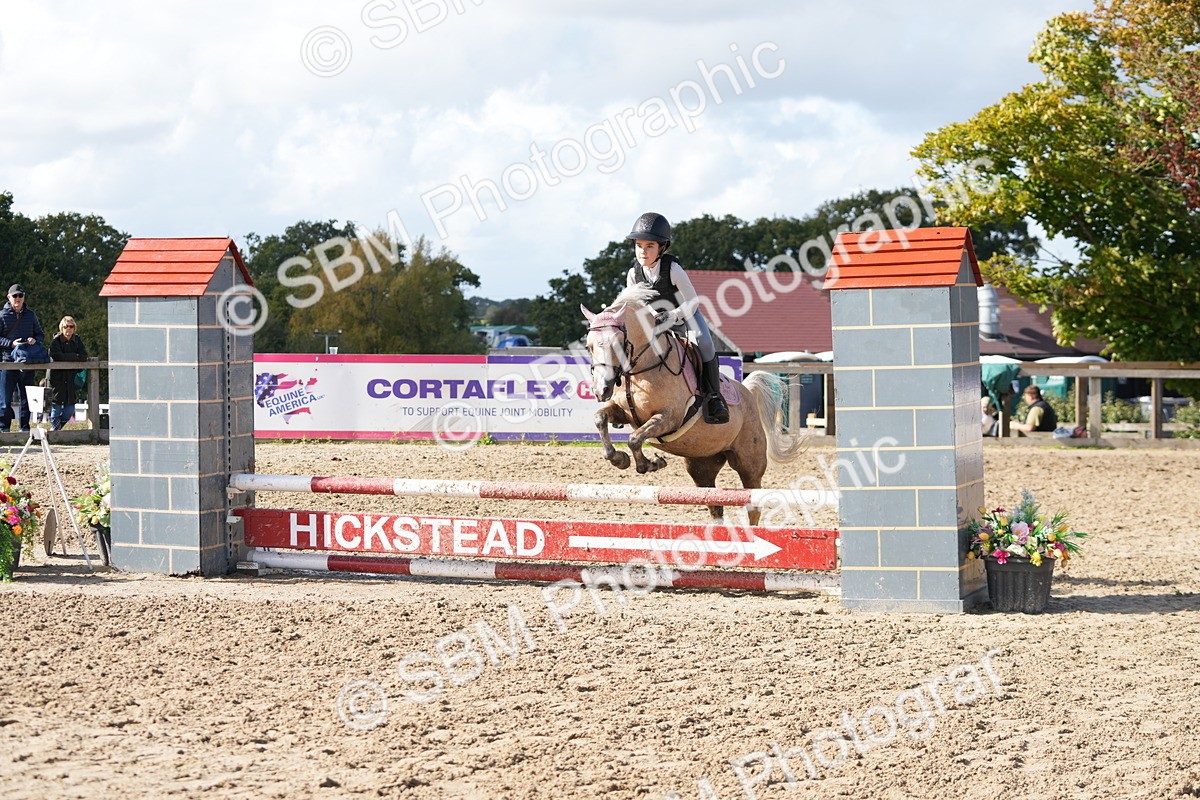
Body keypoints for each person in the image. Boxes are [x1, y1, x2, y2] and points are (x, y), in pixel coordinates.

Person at [624, 212, 729, 424]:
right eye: (639, 246)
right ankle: (625, 401)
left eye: (649, 246)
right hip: (656, 321)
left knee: (706, 344)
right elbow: (637, 305)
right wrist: (654, 316)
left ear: (662, 247)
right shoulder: (633, 274)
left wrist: (673, 315)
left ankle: (714, 398)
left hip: (686, 316)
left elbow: (693, 301)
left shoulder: (673, 268)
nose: (643, 252)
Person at [0, 284, 46, 432]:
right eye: (15, 296)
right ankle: (4, 429)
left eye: (20, 296)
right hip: (8, 361)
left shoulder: (31, 315)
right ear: (9, 297)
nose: (18, 299)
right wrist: (11, 344)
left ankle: (24, 429)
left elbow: (41, 334)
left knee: (26, 399)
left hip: (27, 361)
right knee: (5, 400)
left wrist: (34, 340)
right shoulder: (2, 315)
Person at [49, 315, 89, 431]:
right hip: (57, 379)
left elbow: (83, 356)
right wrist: (74, 356)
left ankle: (56, 431)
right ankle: (55, 432)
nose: (69, 329)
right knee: (55, 407)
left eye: (71, 326)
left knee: (69, 409)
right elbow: (56, 355)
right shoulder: (56, 340)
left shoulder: (77, 340)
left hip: (71, 379)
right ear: (62, 327)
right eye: (66, 326)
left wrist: (69, 357)